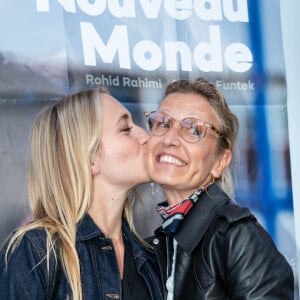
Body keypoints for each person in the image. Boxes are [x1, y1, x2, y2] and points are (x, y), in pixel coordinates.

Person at [0, 88, 164, 300]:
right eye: (125, 129)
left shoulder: (150, 259)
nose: (145, 136)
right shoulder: (37, 252)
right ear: (90, 158)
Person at [144, 78, 294, 299]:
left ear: (220, 162)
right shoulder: (160, 243)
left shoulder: (238, 237)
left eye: (193, 129)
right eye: (163, 123)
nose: (170, 139)